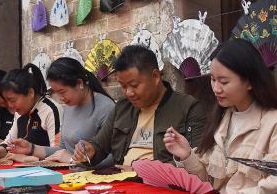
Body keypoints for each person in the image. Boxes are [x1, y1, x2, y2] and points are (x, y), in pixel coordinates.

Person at [163, 38, 277, 194]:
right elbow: (208, 183)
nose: (216, 89)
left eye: (224, 81)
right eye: (213, 79)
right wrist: (186, 155)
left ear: (249, 81)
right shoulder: (222, 119)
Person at [74, 45, 205, 167]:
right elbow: (99, 146)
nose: (128, 92)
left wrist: (141, 170)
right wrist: (89, 151)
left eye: (134, 85)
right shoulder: (122, 108)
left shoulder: (188, 107)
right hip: (123, 180)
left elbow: (196, 162)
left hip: (162, 182)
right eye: (123, 86)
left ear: (155, 76)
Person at [7, 58, 114, 165]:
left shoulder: (105, 108)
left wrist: (72, 160)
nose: (60, 98)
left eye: (62, 92)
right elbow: (62, 149)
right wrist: (31, 149)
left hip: (93, 174)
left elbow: (114, 157)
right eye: (56, 93)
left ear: (79, 83)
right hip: (71, 172)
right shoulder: (70, 106)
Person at [0, 63, 61, 158]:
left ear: (30, 93)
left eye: (13, 100)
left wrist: (27, 158)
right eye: (7, 101)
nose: (10, 105)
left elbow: (58, 153)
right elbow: (8, 142)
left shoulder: (50, 110)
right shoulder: (19, 112)